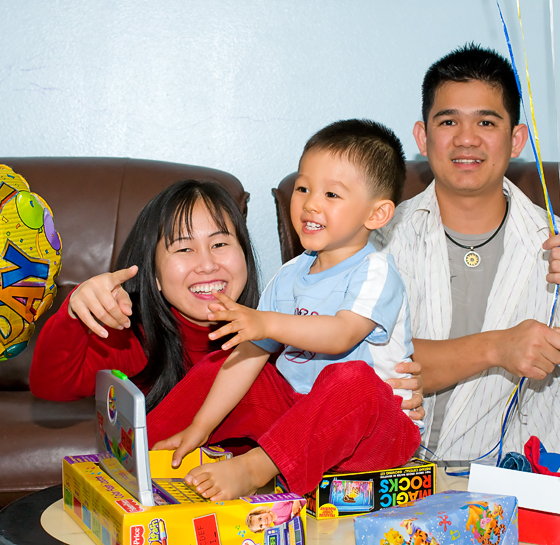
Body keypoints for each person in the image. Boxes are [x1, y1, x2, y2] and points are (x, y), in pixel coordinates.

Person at [372, 43, 560, 463]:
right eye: (448, 120)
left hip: (516, 483)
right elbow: (370, 370)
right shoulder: (380, 239)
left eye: (486, 122)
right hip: (393, 475)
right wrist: (497, 348)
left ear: (516, 139)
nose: (466, 139)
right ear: (423, 136)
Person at [28, 180, 424, 448]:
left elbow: (351, 359)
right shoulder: (134, 340)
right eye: (183, 249)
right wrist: (76, 310)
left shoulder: (281, 330)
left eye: (220, 244)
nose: (206, 265)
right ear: (153, 274)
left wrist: (398, 393)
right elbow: (51, 385)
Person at [153, 119, 421, 501]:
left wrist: (265, 323)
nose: (310, 203)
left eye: (331, 194)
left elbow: (342, 334)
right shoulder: (291, 273)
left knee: (353, 381)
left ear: (376, 215)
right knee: (230, 361)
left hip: (376, 434)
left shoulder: (376, 271)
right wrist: (201, 425)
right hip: (299, 421)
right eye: (303, 188)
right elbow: (251, 354)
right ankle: (145, 451)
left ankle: (254, 468)